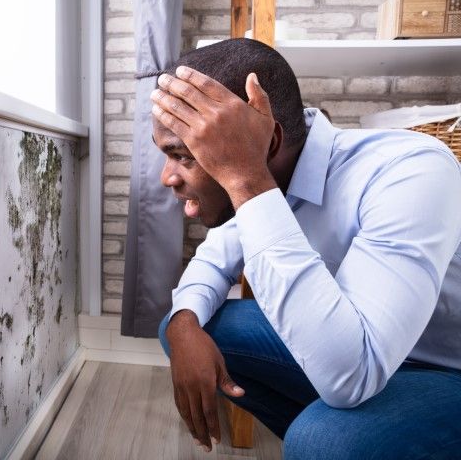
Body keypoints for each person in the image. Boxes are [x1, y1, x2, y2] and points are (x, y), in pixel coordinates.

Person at [150, 38, 461, 459]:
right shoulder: (273, 171)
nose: (167, 177)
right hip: (357, 355)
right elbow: (214, 258)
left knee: (322, 439)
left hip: (442, 369)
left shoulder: (410, 169)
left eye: (183, 156)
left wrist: (246, 178)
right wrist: (184, 325)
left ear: (268, 143)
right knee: (185, 326)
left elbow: (354, 376)